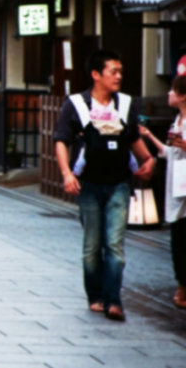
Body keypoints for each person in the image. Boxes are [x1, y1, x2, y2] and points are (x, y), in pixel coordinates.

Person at [53, 49, 155, 322]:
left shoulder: (125, 104)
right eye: (114, 71)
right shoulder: (76, 104)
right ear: (96, 75)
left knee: (115, 245)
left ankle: (114, 301)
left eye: (120, 71)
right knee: (92, 245)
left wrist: (148, 160)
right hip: (87, 184)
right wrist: (66, 173)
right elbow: (61, 139)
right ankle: (95, 296)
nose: (119, 76)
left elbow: (133, 138)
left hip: (119, 183)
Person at [138, 75, 186, 310]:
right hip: (177, 184)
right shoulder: (177, 120)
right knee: (178, 236)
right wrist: (149, 137)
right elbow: (170, 152)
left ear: (183, 95)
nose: (168, 94)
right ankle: (182, 284)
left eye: (172, 90)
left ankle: (183, 286)